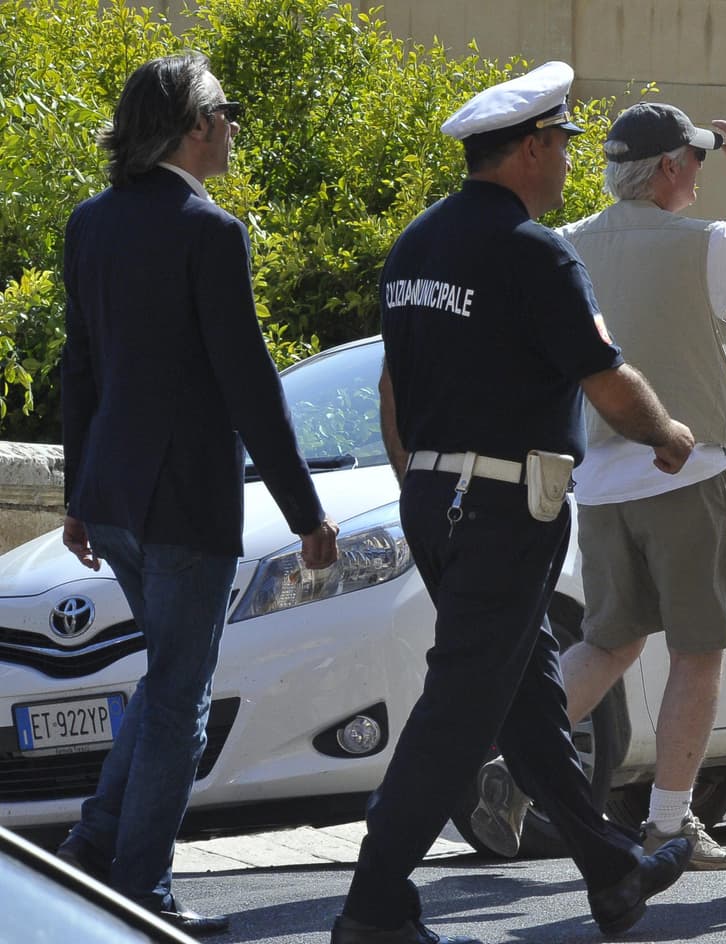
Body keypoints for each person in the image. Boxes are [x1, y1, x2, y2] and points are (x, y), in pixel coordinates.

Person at [331, 62, 697, 944]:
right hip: (502, 507)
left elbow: (390, 388)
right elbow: (604, 377)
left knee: (525, 693)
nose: (569, 159)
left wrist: (422, 480)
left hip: (435, 496)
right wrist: (667, 434)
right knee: (462, 703)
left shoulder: (416, 242)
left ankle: (611, 873)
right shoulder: (535, 250)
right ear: (532, 150)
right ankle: (373, 901)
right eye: (563, 144)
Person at [469, 102, 726, 871]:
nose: (701, 172)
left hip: (597, 482)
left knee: (608, 641)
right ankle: (670, 823)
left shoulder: (565, 245)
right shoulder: (709, 244)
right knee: (698, 653)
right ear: (669, 168)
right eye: (695, 160)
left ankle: (510, 767)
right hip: (685, 472)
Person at [57, 53, 340, 935]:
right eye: (225, 113)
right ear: (194, 127)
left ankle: (93, 849)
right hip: (183, 507)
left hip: (114, 499)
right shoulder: (210, 232)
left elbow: (80, 371)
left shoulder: (89, 223)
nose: (234, 127)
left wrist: (76, 494)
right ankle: (138, 892)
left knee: (167, 680)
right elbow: (248, 382)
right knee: (180, 697)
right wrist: (307, 514)